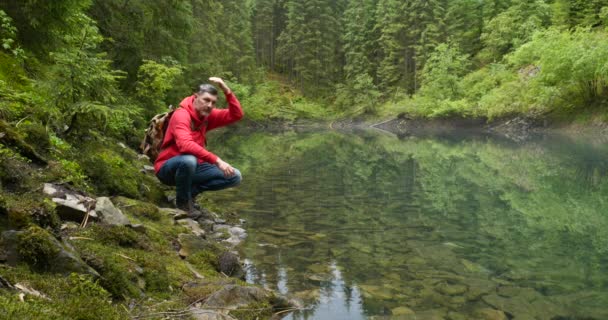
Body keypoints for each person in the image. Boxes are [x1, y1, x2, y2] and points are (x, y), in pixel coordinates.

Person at [154, 77, 243, 216]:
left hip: (193, 167)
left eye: (213, 102)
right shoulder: (181, 114)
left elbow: (236, 115)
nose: (209, 105)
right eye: (206, 100)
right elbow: (185, 145)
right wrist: (217, 160)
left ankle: (190, 193)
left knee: (235, 176)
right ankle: (182, 203)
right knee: (189, 160)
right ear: (196, 97)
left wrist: (227, 90)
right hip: (168, 168)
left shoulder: (207, 116)